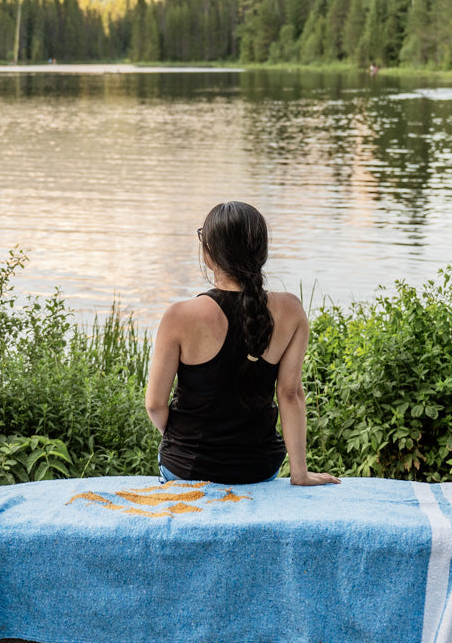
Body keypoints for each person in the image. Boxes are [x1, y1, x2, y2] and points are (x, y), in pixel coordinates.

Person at [145, 201, 339, 487]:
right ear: (261, 251)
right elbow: (290, 394)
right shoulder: (291, 310)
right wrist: (300, 473)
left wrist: (182, 444)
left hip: (188, 468)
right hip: (258, 468)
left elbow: (154, 405)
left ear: (208, 252)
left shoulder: (179, 316)